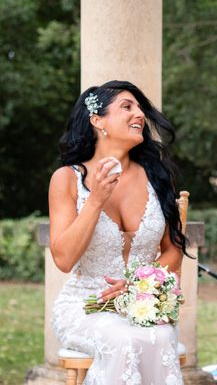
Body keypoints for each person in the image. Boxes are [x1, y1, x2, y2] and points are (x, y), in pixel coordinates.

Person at [49, 80, 189, 384]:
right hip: (86, 306)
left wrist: (137, 285)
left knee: (161, 336)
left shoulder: (157, 176)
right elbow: (64, 259)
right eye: (127, 107)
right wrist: (96, 199)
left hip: (140, 305)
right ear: (98, 121)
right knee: (123, 340)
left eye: (139, 107)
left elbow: (173, 250)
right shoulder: (66, 179)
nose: (139, 114)